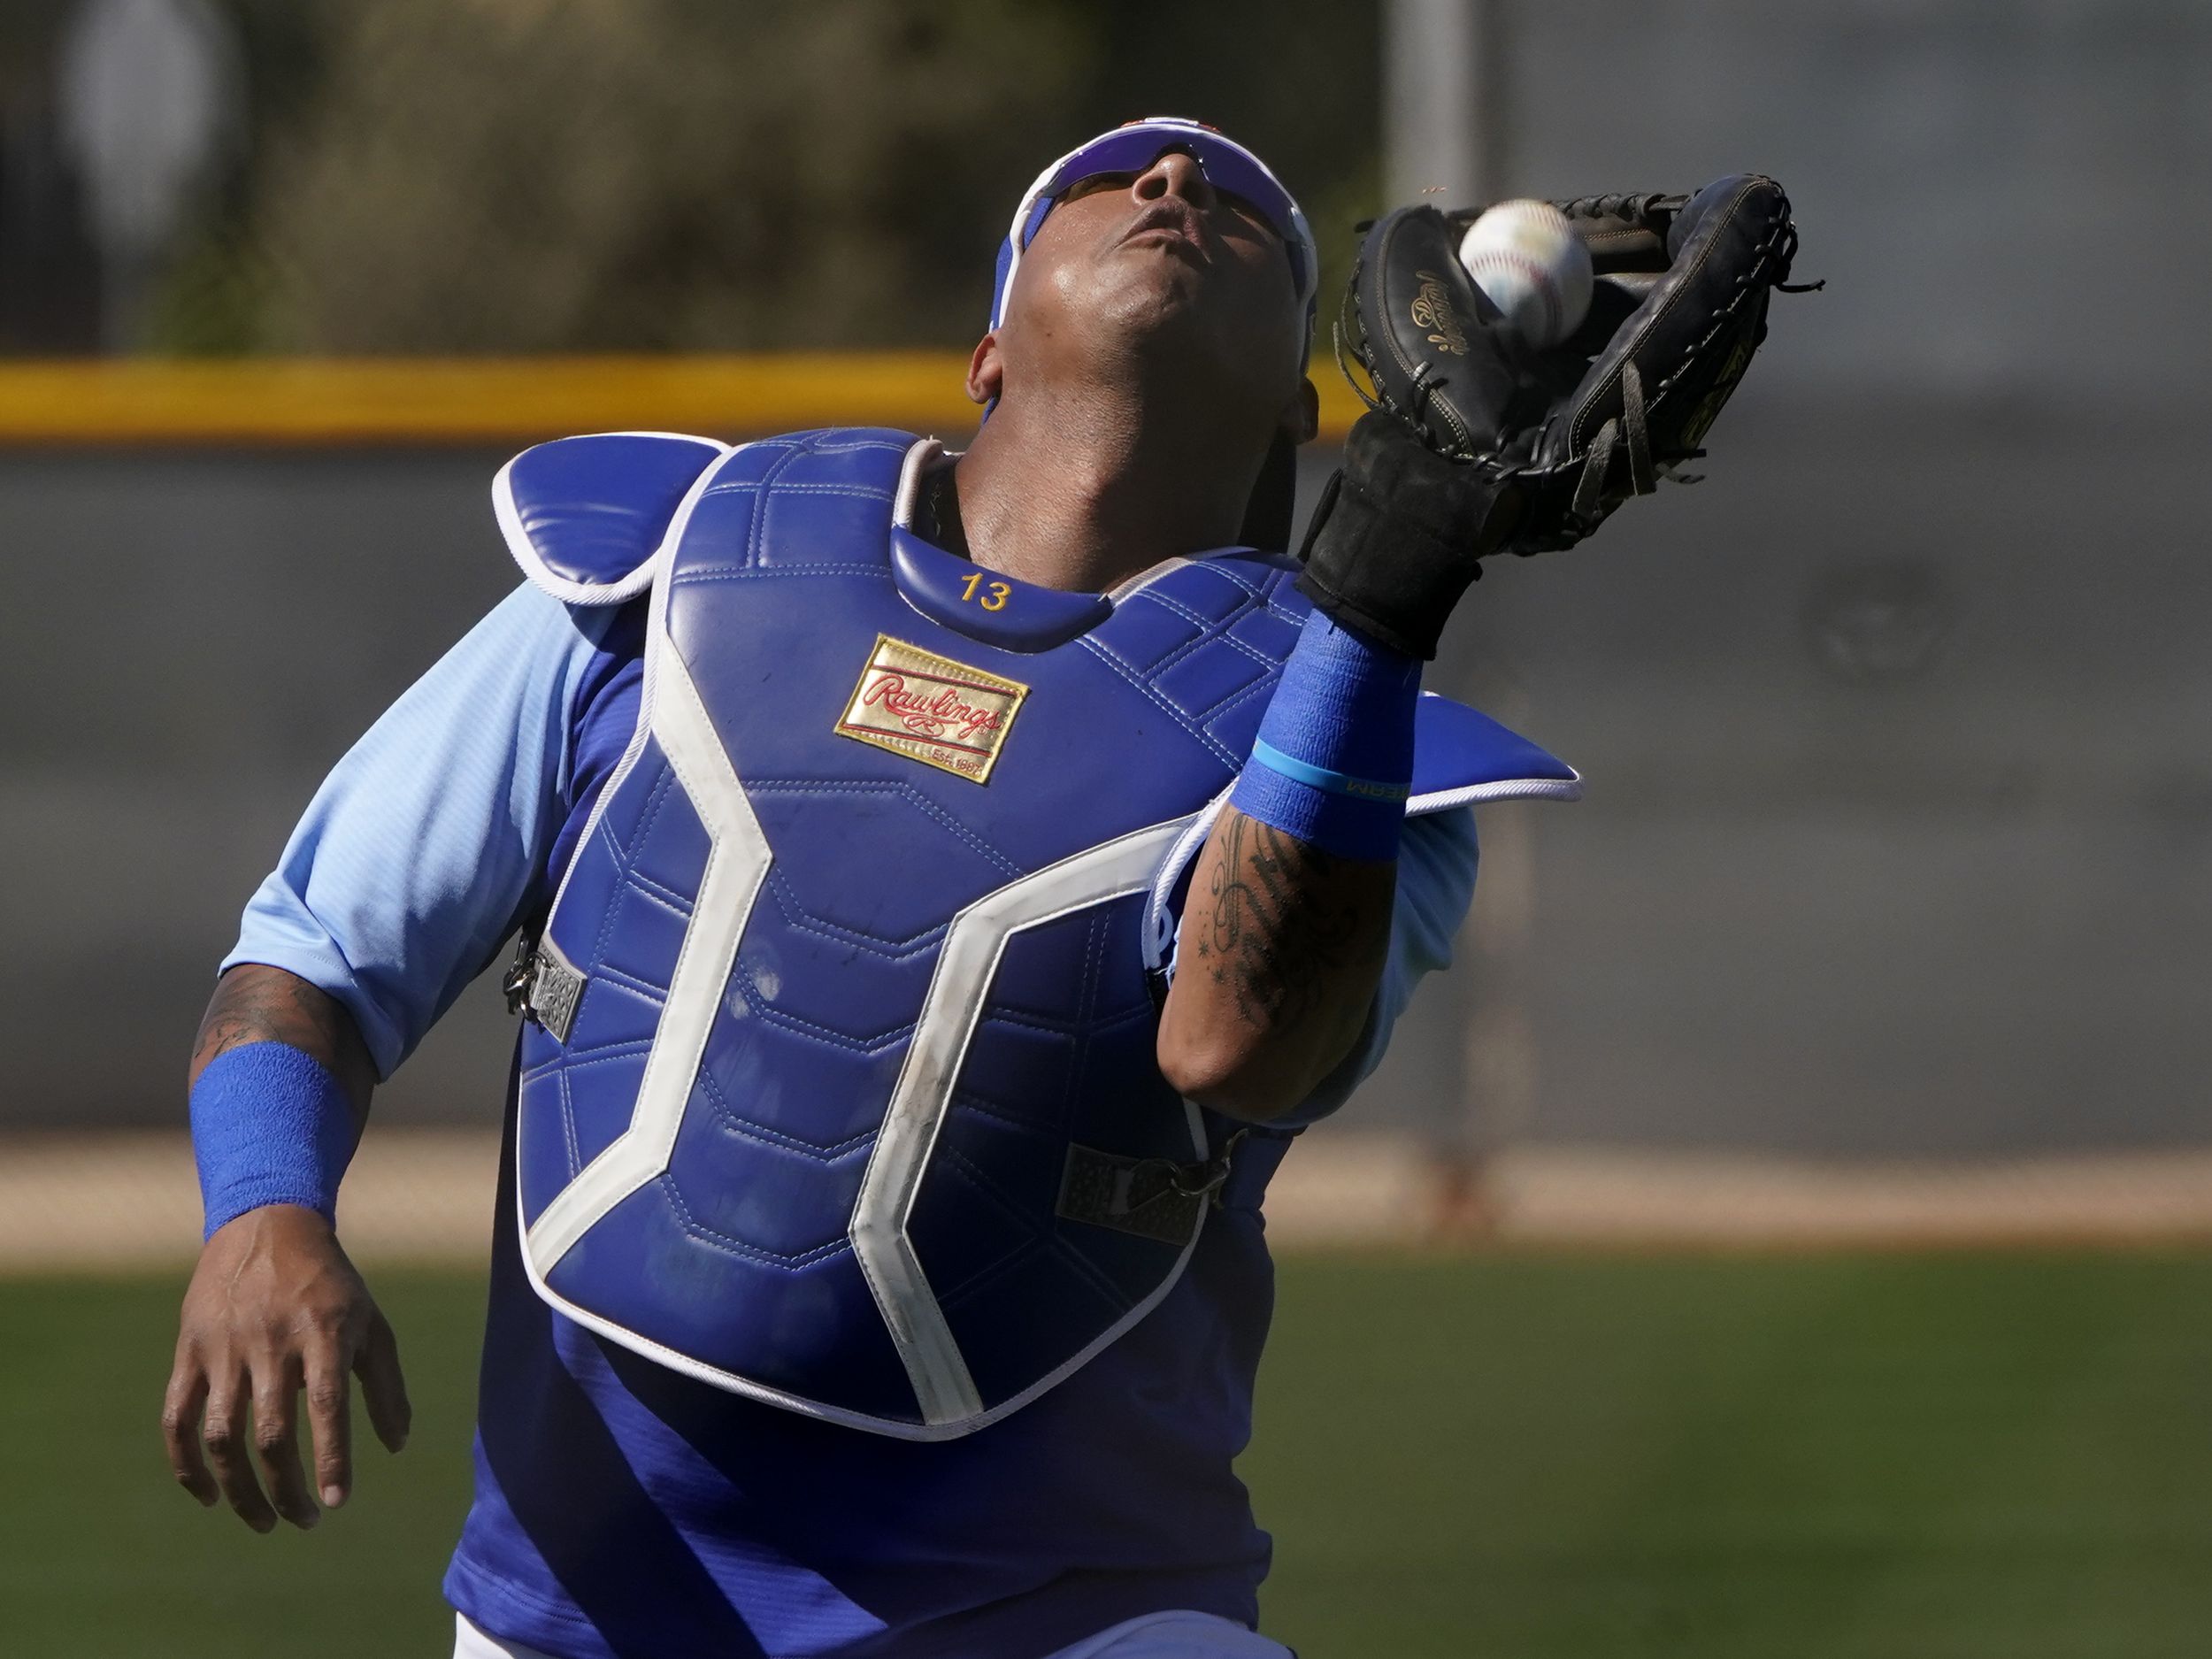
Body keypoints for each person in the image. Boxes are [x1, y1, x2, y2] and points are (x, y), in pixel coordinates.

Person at [161, 117, 1577, 1659]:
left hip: (1074, 1620)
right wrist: (259, 1213)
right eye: (1110, 182)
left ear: (1304, 408)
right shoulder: (663, 572)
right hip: (584, 1618)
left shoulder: (1361, 745)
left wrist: (1378, 604)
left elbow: (1240, 1046)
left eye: (1244, 214)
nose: (1175, 188)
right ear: (985, 349)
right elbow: (310, 956)